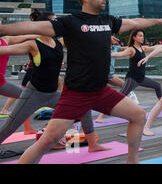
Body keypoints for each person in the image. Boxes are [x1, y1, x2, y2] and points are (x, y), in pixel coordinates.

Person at [0, 0, 162, 164]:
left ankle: (132, 161)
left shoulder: (108, 21)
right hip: (76, 94)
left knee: (138, 115)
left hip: (101, 91)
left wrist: (157, 21)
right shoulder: (70, 22)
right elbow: (30, 27)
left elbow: (135, 22)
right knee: (46, 141)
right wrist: (2, 29)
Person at [0, 9, 108, 155]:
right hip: (33, 94)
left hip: (52, 94)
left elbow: (84, 39)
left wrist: (106, 39)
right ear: (46, 25)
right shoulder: (33, 44)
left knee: (84, 108)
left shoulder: (58, 43)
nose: (59, 24)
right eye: (55, 22)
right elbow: (6, 50)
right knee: (8, 128)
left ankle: (92, 144)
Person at [113, 30, 162, 112]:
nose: (142, 38)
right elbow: (120, 54)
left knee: (157, 85)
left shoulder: (143, 48)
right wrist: (108, 54)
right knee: (121, 96)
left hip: (141, 78)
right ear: (134, 38)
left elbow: (154, 47)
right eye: (140, 36)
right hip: (132, 79)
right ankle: (102, 114)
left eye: (143, 36)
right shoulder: (131, 49)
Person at [95, 37, 127, 123]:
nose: (116, 39)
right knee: (125, 86)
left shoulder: (116, 48)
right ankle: (100, 116)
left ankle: (123, 107)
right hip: (103, 74)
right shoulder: (102, 47)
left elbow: (126, 48)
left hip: (110, 74)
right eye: (113, 38)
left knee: (125, 86)